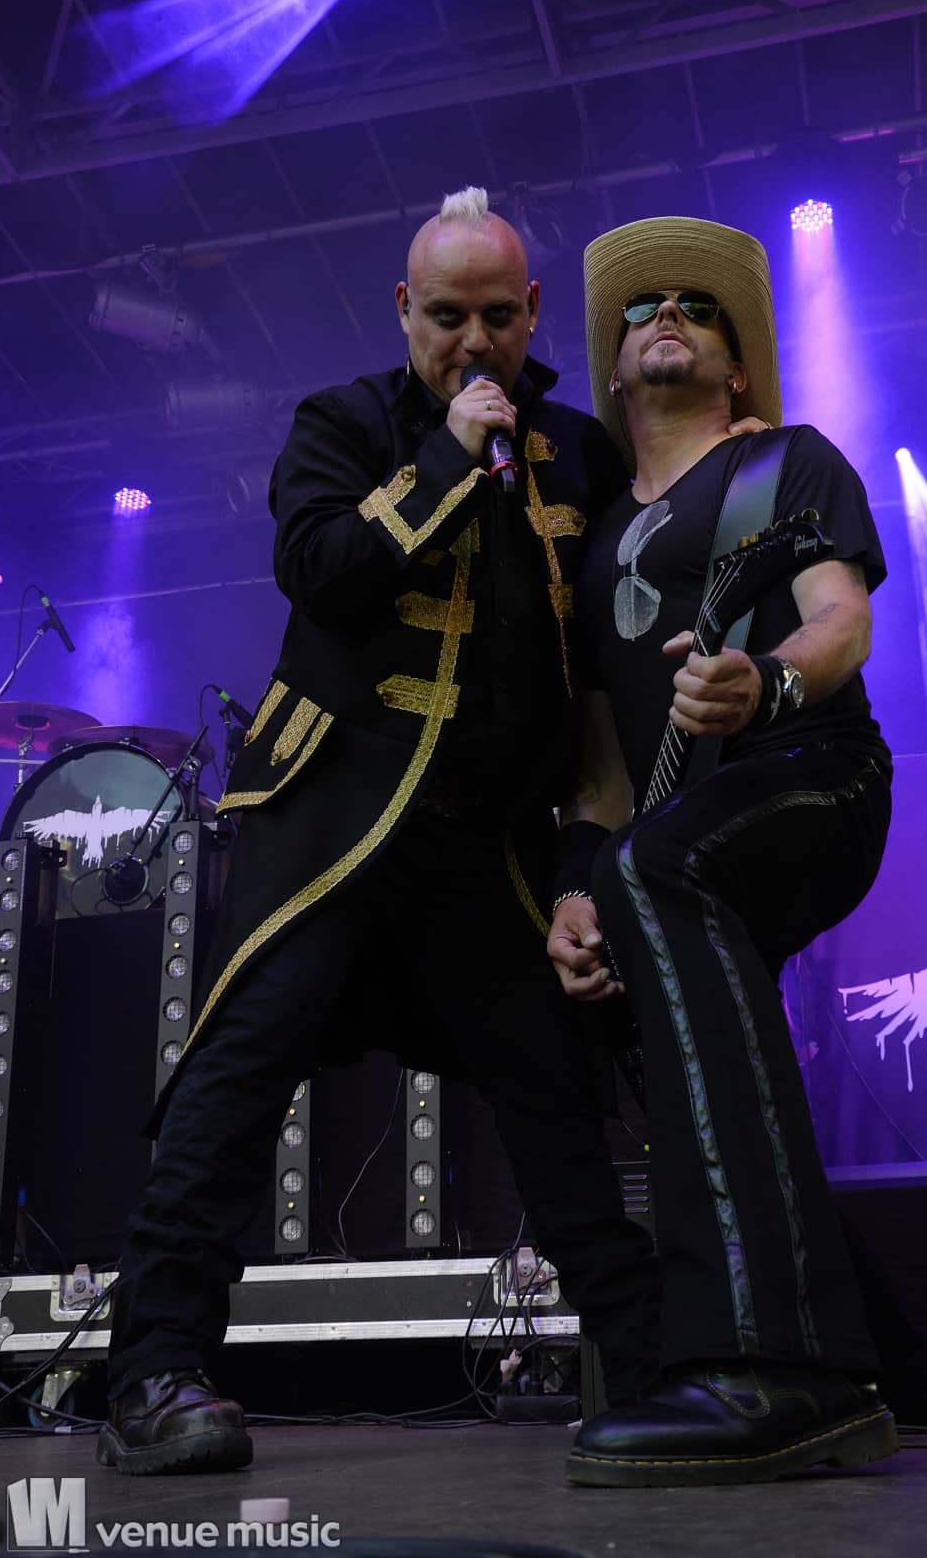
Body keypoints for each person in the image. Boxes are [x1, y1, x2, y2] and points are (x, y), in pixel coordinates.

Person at [96, 187, 673, 1475]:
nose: (473, 342)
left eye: (496, 317)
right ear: (405, 310)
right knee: (237, 1079)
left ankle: (649, 1374)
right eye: (446, 317)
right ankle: (153, 1375)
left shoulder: (576, 452)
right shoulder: (343, 423)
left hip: (485, 848)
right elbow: (319, 571)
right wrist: (447, 461)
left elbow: (595, 673)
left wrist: (583, 857)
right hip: (330, 825)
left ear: (533, 312)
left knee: (554, 1090)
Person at [547, 215, 905, 1487]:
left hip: (814, 769)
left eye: (699, 306)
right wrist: (570, 895)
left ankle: (777, 1364)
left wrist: (769, 682)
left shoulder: (781, 463)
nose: (669, 313)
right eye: (645, 306)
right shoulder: (590, 542)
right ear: (612, 368)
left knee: (658, 870)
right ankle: (890, 1358)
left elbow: (840, 618)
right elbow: (601, 769)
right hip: (668, 826)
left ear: (736, 364)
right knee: (643, 1009)